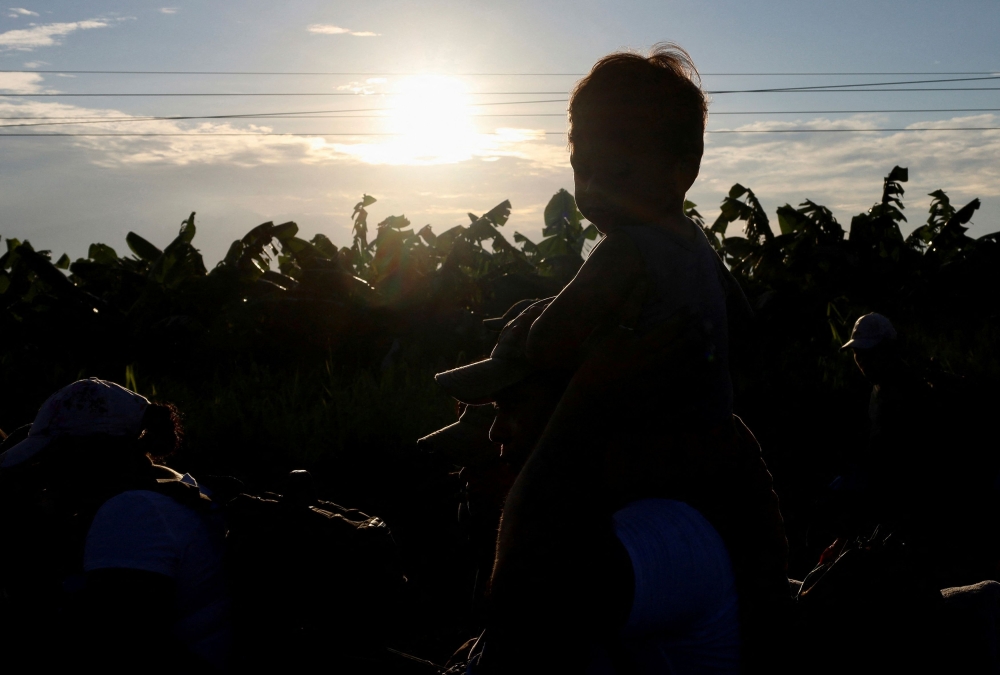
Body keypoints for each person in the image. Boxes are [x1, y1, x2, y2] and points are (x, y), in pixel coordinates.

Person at [433, 301, 788, 673]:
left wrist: (583, 407)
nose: (496, 430)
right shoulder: (606, 515)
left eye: (513, 405)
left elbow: (522, 603)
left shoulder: (672, 533)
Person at [526, 43, 751, 433]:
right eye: (583, 171)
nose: (595, 190)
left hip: (639, 457)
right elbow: (745, 326)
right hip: (702, 445)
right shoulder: (696, 245)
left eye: (618, 174)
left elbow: (543, 344)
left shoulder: (627, 250)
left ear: (683, 170)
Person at [0, 378, 230, 673]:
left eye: (53, 457)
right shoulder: (176, 486)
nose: (47, 477)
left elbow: (114, 644)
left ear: (87, 451)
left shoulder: (131, 512)